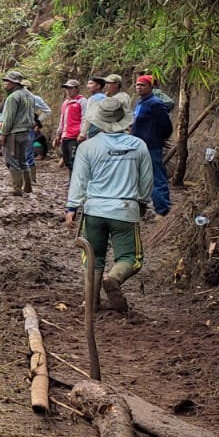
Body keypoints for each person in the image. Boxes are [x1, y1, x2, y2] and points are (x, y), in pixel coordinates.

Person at [66, 96, 153, 311]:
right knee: (131, 257)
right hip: (125, 209)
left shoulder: (88, 147)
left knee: (92, 257)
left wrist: (72, 207)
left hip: (94, 210)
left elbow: (79, 180)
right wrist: (142, 202)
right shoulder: (139, 146)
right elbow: (146, 180)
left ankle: (92, 301)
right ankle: (113, 278)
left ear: (98, 121)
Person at [131, 74, 173, 217]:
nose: (139, 87)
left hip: (152, 146)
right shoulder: (140, 103)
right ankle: (141, 208)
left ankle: (163, 210)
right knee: (138, 176)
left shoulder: (155, 103)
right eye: (137, 85)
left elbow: (166, 125)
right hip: (138, 146)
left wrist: (159, 137)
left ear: (151, 87)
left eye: (142, 85)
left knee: (157, 177)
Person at [0, 70, 37, 195]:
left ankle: (17, 188)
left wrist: (3, 133)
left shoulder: (13, 97)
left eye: (7, 81)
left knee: (12, 160)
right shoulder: (30, 95)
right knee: (22, 160)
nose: (5, 84)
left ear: (14, 83)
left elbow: (9, 117)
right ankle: (28, 186)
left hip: (14, 133)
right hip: (26, 132)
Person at [57, 80, 84, 170]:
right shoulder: (66, 103)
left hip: (75, 135)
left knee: (74, 160)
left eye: (71, 88)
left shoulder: (82, 101)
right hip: (65, 135)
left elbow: (85, 118)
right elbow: (62, 119)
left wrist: (82, 133)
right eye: (67, 88)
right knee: (67, 159)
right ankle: (71, 182)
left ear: (76, 89)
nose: (68, 90)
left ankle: (76, 182)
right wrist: (58, 133)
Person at [80, 76, 107, 140]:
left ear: (98, 86)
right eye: (88, 83)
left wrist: (82, 133)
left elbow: (89, 118)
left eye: (91, 84)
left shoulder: (92, 99)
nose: (88, 86)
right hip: (105, 133)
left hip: (94, 133)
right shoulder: (106, 98)